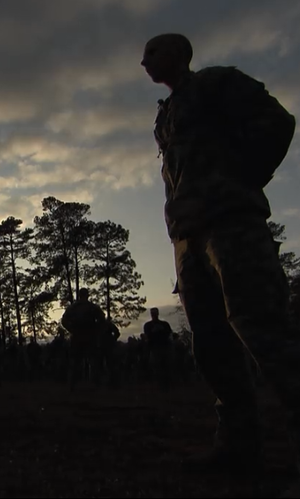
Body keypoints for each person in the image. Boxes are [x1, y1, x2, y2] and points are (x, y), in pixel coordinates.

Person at [143, 33, 299, 475]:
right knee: (212, 347)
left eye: (153, 50)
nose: (144, 61)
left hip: (232, 225)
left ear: (180, 53)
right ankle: (238, 446)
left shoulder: (216, 84)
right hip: (188, 238)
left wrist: (242, 181)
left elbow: (278, 123)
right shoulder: (165, 116)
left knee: (264, 331)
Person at [61, 288, 108, 390]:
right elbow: (102, 320)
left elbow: (64, 320)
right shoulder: (91, 307)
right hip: (86, 336)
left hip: (81, 336)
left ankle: (74, 385)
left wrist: (72, 329)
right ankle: (92, 384)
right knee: (91, 361)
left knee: (78, 361)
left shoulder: (75, 307)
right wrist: (97, 331)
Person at [143, 308, 173, 391]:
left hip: (164, 347)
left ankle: (167, 385)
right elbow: (147, 337)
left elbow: (169, 334)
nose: (154, 315)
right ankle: (160, 385)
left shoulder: (164, 324)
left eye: (155, 313)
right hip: (155, 348)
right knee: (157, 367)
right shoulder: (148, 325)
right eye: (153, 313)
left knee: (166, 366)